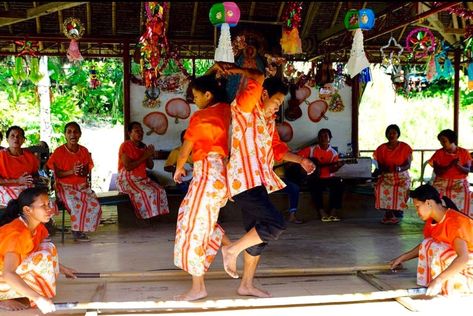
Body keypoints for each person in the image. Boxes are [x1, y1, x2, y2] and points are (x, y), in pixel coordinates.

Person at [214, 62, 315, 297]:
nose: (277, 108)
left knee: (257, 234)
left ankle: (246, 285)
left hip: (257, 182)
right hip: (243, 182)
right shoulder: (246, 107)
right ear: (265, 94)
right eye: (277, 102)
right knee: (276, 224)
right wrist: (238, 71)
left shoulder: (268, 123)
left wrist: (301, 161)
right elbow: (258, 76)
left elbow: (278, 150)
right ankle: (232, 250)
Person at [173, 74, 231, 301]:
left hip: (206, 173)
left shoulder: (200, 116)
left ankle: (198, 287)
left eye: (196, 95)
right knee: (199, 221)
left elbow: (187, 145)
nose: (194, 100)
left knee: (191, 226)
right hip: (218, 176)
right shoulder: (226, 109)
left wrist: (179, 168)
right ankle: (229, 246)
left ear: (208, 95)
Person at [0, 187, 76, 313]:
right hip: (4, 273)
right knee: (43, 258)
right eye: (43, 206)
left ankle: (21, 292)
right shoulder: (17, 234)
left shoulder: (37, 227)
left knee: (48, 249)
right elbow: (8, 273)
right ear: (27, 210)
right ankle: (3, 297)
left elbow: (36, 252)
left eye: (48, 204)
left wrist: (63, 269)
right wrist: (38, 298)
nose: (49, 209)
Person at [390, 184, 473, 296]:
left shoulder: (454, 223)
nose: (416, 211)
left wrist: (439, 280)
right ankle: (441, 281)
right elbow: (424, 245)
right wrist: (403, 258)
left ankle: (456, 283)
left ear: (428, 203)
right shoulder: (432, 221)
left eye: (417, 206)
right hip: (465, 259)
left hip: (468, 261)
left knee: (437, 248)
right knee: (429, 243)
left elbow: (463, 257)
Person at [46, 122, 102, 242]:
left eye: (75, 131)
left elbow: (86, 171)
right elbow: (58, 174)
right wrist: (72, 171)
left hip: (81, 187)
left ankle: (82, 227)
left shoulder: (84, 151)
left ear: (80, 134)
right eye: (69, 132)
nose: (73, 134)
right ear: (65, 135)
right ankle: (77, 231)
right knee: (75, 204)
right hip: (64, 187)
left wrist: (80, 171)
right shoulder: (59, 152)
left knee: (95, 204)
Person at [117, 122, 169, 219]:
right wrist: (145, 156)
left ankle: (154, 215)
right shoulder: (125, 146)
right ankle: (144, 217)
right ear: (129, 133)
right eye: (137, 131)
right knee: (146, 192)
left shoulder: (144, 146)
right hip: (127, 180)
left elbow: (150, 166)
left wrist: (149, 155)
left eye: (141, 131)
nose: (140, 133)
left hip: (142, 179)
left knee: (160, 190)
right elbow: (128, 167)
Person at [298, 128, 345, 222]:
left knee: (339, 184)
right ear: (318, 138)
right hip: (314, 177)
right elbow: (298, 158)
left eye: (325, 136)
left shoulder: (334, 153)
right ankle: (321, 212)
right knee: (314, 185)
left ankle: (333, 212)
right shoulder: (311, 150)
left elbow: (332, 169)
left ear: (330, 138)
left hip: (328, 177)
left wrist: (338, 166)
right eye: (321, 136)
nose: (323, 138)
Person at [373, 124, 412, 224]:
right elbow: (379, 165)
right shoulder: (381, 148)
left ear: (398, 134)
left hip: (402, 176)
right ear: (386, 135)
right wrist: (384, 169)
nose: (391, 135)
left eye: (394, 133)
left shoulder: (405, 147)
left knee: (402, 188)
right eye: (389, 133)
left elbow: (408, 165)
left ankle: (397, 211)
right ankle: (389, 213)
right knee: (381, 187)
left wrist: (399, 168)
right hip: (387, 176)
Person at [428, 129, 472, 217]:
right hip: (441, 181)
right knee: (435, 196)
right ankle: (440, 217)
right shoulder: (438, 153)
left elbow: (468, 169)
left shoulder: (463, 152)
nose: (442, 144)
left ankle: (462, 217)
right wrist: (450, 165)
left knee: (466, 195)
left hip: (459, 182)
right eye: (441, 142)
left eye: (444, 141)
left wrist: (459, 166)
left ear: (452, 140)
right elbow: (437, 171)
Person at [0, 126, 39, 206]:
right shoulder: (1, 156)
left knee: (42, 202)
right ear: (7, 139)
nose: (16, 138)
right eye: (12, 136)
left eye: (19, 136)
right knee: (18, 203)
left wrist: (30, 179)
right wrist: (17, 181)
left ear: (23, 140)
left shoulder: (30, 157)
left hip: (26, 188)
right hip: (5, 188)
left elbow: (36, 175)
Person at [164, 129, 193, 194]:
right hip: (182, 180)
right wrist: (178, 168)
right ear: (182, 140)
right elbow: (166, 167)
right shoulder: (176, 152)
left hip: (194, 178)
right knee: (189, 189)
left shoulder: (197, 151)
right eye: (185, 140)